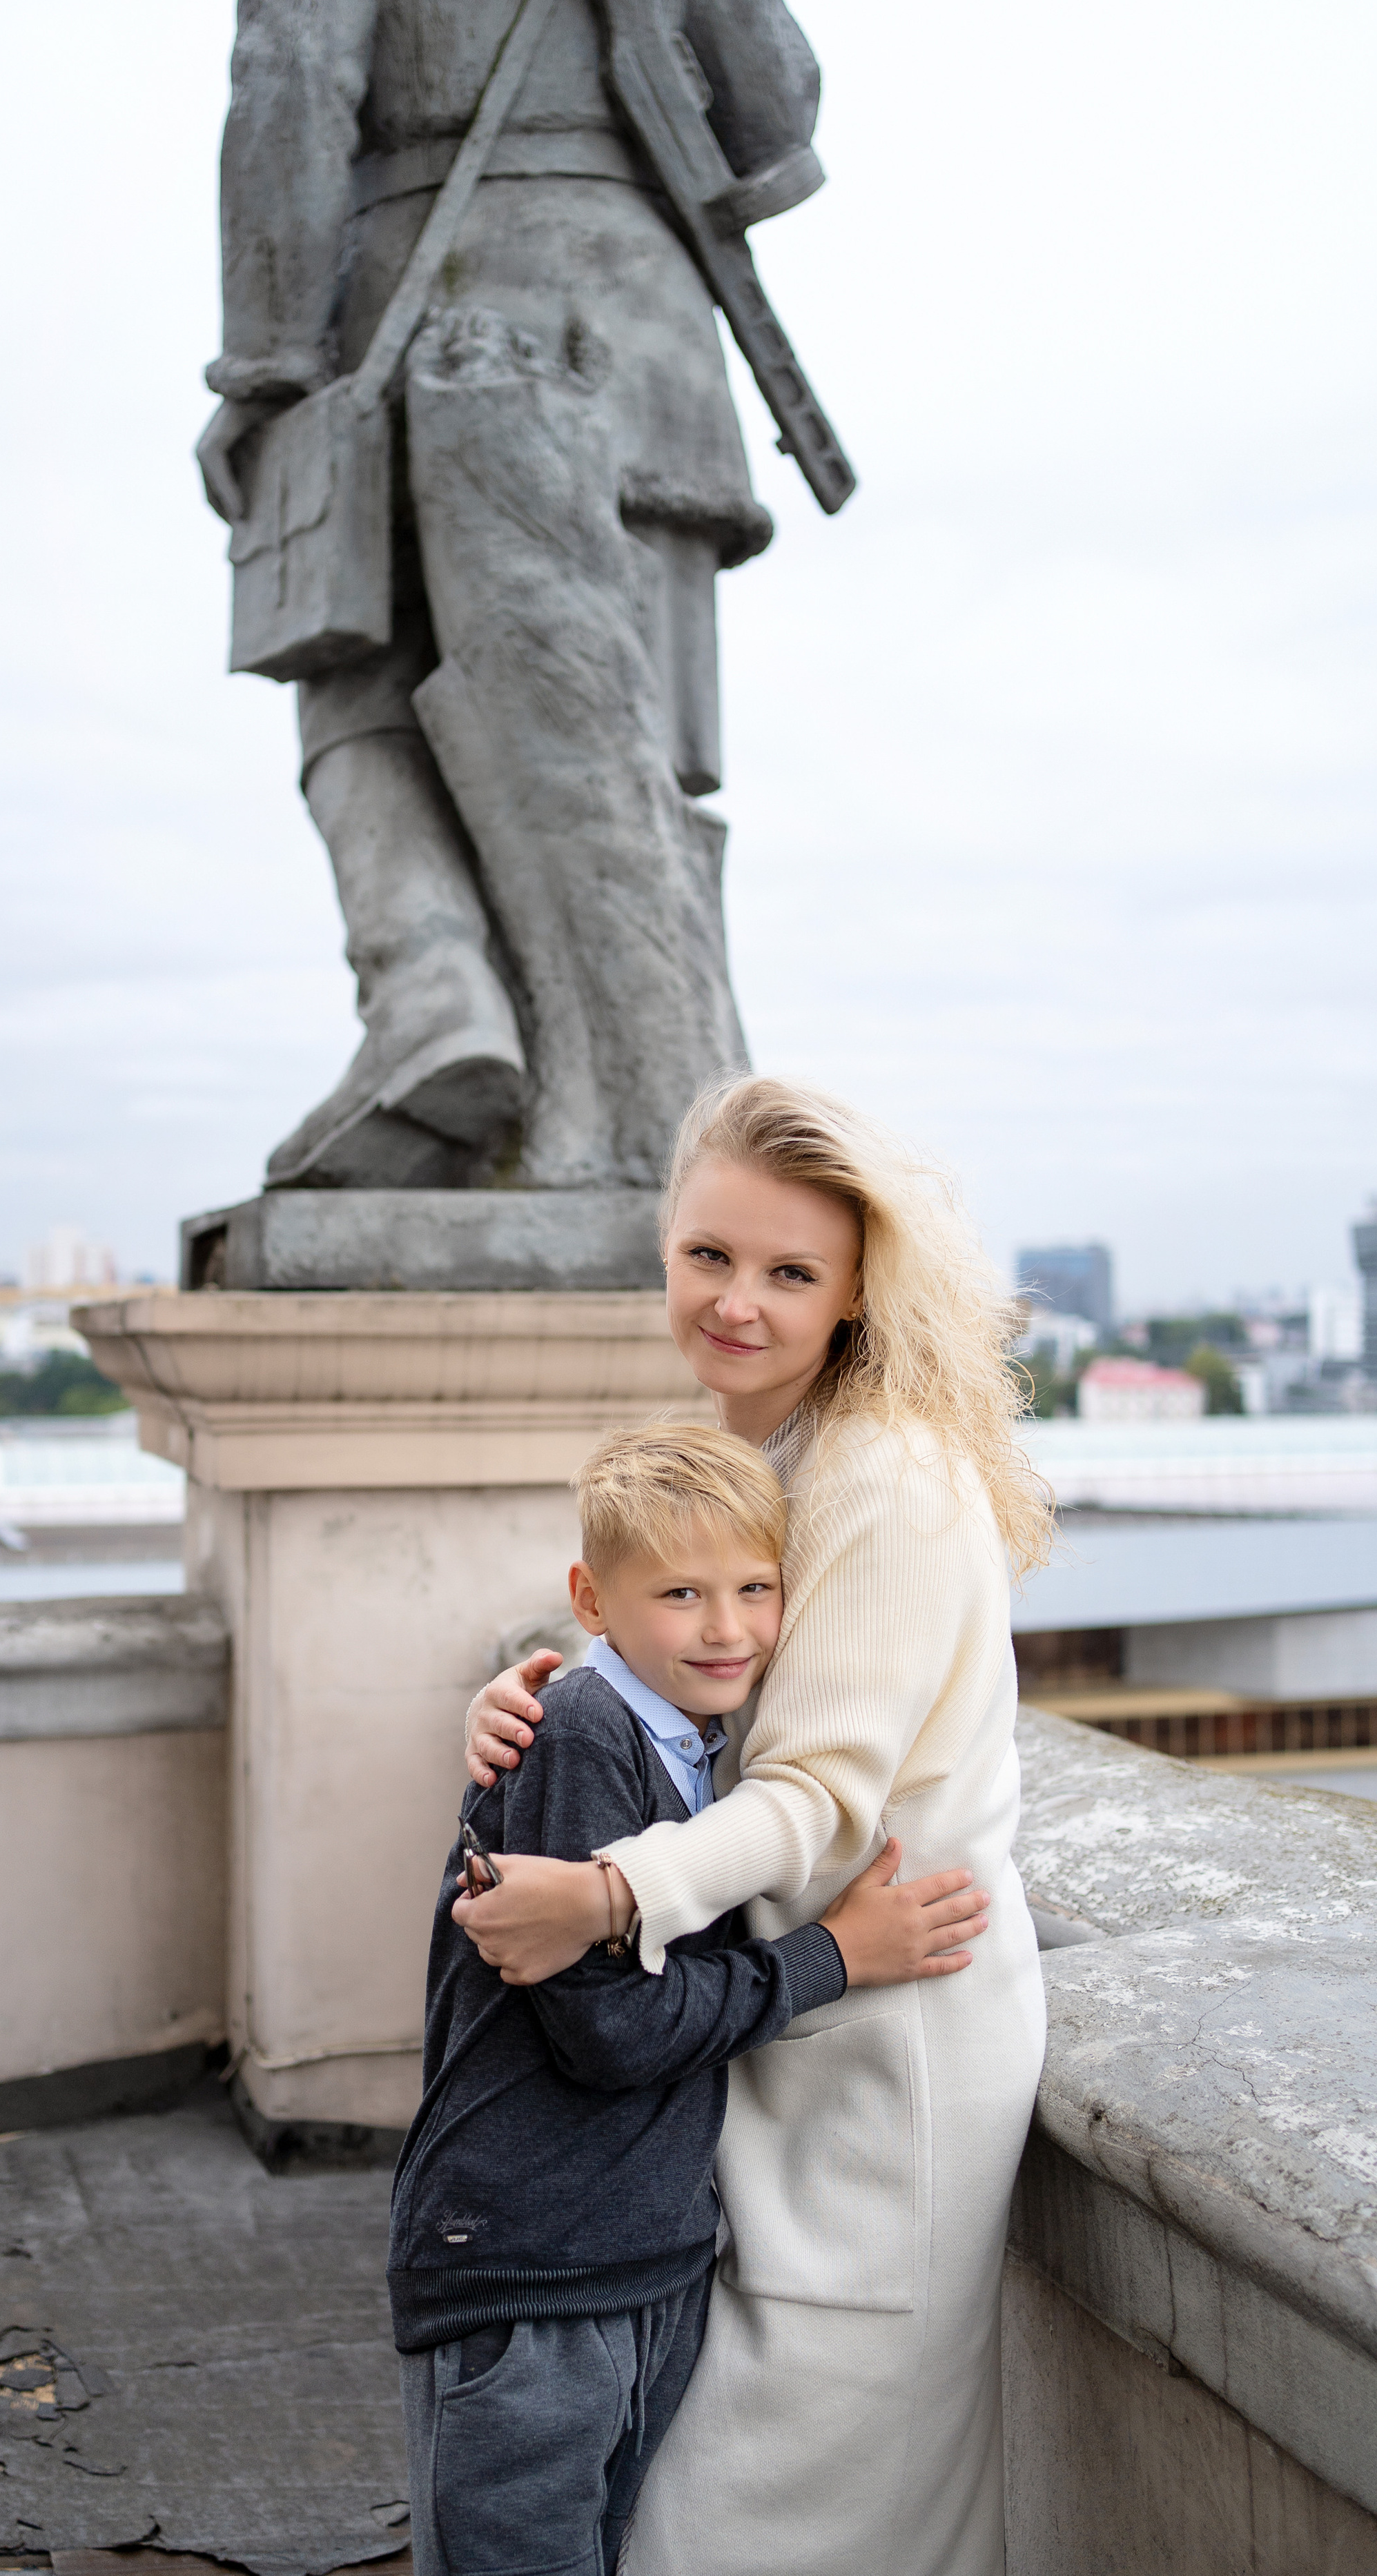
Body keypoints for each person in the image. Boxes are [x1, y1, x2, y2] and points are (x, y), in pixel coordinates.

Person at [458, 1075, 1053, 2576]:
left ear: (856, 1296)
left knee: (751, 2519)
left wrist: (604, 1895)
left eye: (791, 1272)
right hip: (781, 2029)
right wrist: (546, 1696)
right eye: (708, 1256)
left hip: (884, 2066)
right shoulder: (778, 1453)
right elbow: (698, 1687)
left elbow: (814, 1797)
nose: (736, 1302)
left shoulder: (885, 1478)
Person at [195, 0, 828, 1191]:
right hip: (645, 335)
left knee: (353, 679)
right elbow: (774, 111)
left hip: (428, 315)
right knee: (634, 757)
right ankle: (629, 1120)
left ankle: (434, 990)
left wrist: (266, 366)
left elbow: (291, 77)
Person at [391, 1422, 988, 2576]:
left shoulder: (699, 1744)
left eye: (756, 1589)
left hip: (636, 2257)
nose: (728, 1629)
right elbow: (612, 2031)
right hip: (527, 2269)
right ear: (592, 1600)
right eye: (681, 1594)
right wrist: (834, 1957)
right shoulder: (582, 1733)